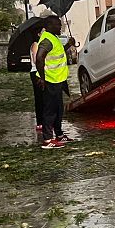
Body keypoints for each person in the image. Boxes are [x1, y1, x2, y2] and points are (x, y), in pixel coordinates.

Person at [34, 16, 75, 149]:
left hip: (57, 80)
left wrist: (69, 44)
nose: (60, 26)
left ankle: (59, 135)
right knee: (50, 111)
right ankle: (47, 140)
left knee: (58, 110)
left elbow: (58, 52)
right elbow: (39, 58)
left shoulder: (53, 38)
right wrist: (42, 77)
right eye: (58, 24)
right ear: (50, 25)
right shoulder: (47, 39)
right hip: (50, 80)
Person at [29, 28, 45, 137]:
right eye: (43, 32)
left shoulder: (42, 44)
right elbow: (36, 60)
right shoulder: (35, 44)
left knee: (44, 97)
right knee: (39, 97)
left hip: (41, 72)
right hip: (36, 73)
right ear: (38, 34)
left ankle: (44, 120)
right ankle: (40, 122)